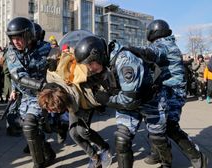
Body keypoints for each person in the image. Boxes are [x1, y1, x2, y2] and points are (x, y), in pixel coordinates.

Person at [75, 36, 171, 167]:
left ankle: (166, 164)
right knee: (121, 140)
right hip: (127, 101)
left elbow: (130, 101)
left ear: (97, 55)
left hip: (151, 100)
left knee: (158, 137)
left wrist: (107, 100)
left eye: (90, 64)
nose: (90, 68)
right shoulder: (103, 64)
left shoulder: (125, 61)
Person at [128, 19, 208, 168]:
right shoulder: (167, 43)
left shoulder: (164, 44)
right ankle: (157, 154)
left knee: (170, 126)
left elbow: (152, 53)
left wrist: (130, 49)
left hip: (173, 93)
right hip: (165, 91)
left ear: (154, 32)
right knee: (155, 122)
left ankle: (198, 157)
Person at [38, 34, 112, 168]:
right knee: (73, 133)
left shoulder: (83, 72)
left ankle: (104, 147)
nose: (51, 112)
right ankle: (94, 157)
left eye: (54, 110)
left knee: (83, 131)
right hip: (70, 102)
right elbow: (49, 84)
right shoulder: (53, 78)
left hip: (85, 100)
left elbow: (93, 68)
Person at [5, 17, 55, 168]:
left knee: (30, 126)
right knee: (30, 129)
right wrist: (14, 89)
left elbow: (60, 64)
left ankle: (38, 164)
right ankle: (48, 152)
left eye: (19, 38)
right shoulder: (12, 52)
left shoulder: (46, 48)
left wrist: (56, 60)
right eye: (13, 38)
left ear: (28, 35)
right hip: (26, 95)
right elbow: (17, 75)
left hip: (41, 97)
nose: (16, 42)